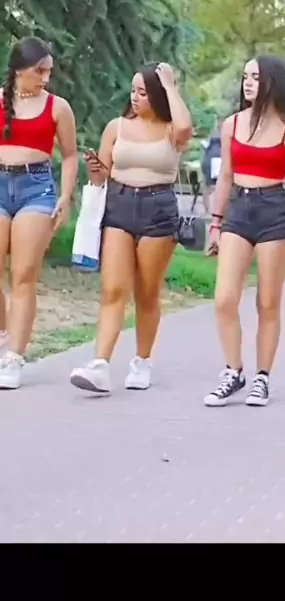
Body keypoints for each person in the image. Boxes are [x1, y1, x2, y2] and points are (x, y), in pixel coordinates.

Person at [70, 63, 192, 395]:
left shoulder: (171, 129)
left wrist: (170, 85)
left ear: (158, 96)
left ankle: (142, 361)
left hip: (157, 209)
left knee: (147, 292)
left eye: (143, 92)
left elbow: (185, 127)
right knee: (113, 289)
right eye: (133, 91)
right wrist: (95, 169)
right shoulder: (117, 127)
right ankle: (100, 365)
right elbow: (103, 174)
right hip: (119, 206)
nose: (135, 97)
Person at [204, 55, 285, 408]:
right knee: (224, 298)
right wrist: (215, 222)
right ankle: (233, 371)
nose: (248, 83)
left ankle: (262, 377)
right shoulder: (232, 124)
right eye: (245, 77)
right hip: (239, 209)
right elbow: (225, 176)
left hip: (273, 212)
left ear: (271, 82)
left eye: (255, 77)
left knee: (267, 302)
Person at [0, 36, 77, 389]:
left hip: (37, 189)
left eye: (49, 71)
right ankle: (4, 333)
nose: (46, 78)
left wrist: (66, 196)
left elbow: (70, 155)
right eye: (39, 71)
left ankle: (14, 358)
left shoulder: (58, 107)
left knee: (24, 274)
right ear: (19, 69)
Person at [200, 125, 221, 215]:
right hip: (217, 159)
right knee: (214, 187)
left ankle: (208, 211)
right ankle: (213, 212)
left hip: (208, 158)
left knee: (208, 186)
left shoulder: (211, 136)